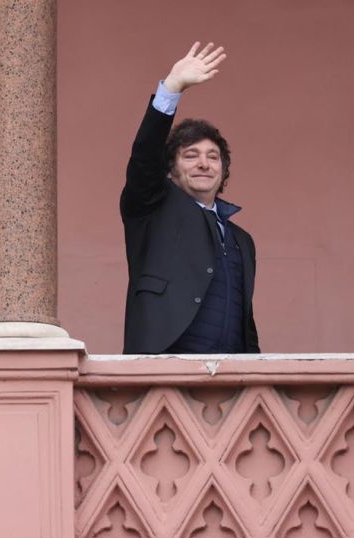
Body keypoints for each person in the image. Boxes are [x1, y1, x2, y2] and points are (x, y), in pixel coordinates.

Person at [121, 42, 259, 354]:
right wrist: (172, 89)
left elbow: (245, 322)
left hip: (231, 380)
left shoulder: (241, 240)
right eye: (191, 155)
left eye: (213, 157)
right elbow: (144, 158)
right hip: (162, 369)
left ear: (223, 171)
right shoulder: (151, 209)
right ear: (170, 170)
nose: (203, 163)